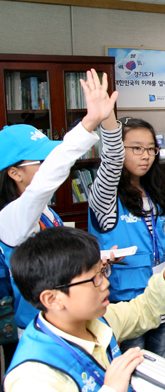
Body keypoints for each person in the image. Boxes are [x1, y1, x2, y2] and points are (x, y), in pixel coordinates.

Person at [4, 226, 165, 392]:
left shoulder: (97, 320)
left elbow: (143, 311)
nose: (105, 283)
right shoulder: (36, 372)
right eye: (94, 278)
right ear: (52, 299)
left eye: (103, 271)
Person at [0, 69, 114, 331]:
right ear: (14, 172)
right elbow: (44, 183)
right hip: (41, 324)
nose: (48, 165)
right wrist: (87, 124)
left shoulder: (45, 212)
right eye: (41, 161)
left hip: (68, 314)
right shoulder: (10, 219)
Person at [88, 111, 165, 356]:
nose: (145, 155)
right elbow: (111, 163)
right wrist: (106, 119)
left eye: (150, 149)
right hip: (123, 303)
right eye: (136, 148)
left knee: (158, 364)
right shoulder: (104, 196)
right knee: (130, 370)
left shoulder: (157, 194)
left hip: (159, 297)